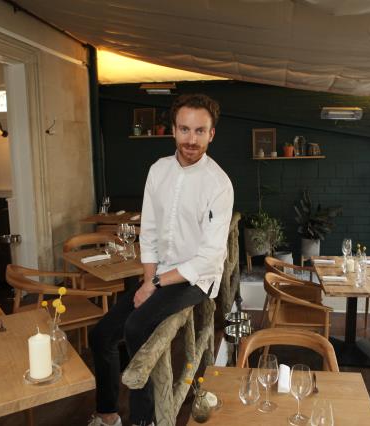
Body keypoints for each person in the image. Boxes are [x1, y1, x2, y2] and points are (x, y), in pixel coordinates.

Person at [88, 93, 234, 426]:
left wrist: (155, 283)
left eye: (200, 131)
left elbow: (209, 257)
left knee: (137, 325)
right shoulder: (159, 170)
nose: (191, 139)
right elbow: (150, 232)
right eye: (185, 129)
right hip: (159, 272)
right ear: (173, 130)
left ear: (211, 134)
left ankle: (144, 419)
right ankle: (108, 413)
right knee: (101, 336)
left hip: (195, 278)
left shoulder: (219, 184)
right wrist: (147, 280)